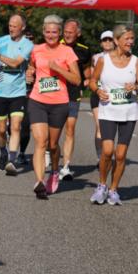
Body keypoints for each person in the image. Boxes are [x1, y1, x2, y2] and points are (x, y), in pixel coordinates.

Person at [88, 24, 138, 205]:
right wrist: (98, 91)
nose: (130, 42)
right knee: (107, 151)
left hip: (128, 112)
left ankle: (114, 189)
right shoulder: (103, 60)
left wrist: (136, 87)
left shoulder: (136, 61)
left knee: (121, 155)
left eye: (132, 39)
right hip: (108, 110)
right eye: (127, 39)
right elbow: (93, 81)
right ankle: (101, 185)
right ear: (116, 41)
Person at [26, 15, 81, 199]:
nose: (51, 35)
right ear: (43, 32)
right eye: (47, 32)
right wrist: (30, 72)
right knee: (40, 141)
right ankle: (40, 181)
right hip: (37, 101)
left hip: (59, 103)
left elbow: (76, 79)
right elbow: (32, 66)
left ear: (59, 34)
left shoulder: (67, 52)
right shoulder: (36, 50)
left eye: (54, 32)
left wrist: (58, 69)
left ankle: (55, 170)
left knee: (52, 145)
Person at [0, 14, 34, 175]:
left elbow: (16, 63)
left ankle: (12, 160)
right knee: (1, 129)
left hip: (18, 91)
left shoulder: (27, 44)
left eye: (15, 26)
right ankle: (3, 153)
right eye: (10, 25)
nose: (11, 28)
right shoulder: (0, 40)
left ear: (22, 27)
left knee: (16, 126)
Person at [56, 19, 93, 180]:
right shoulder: (55, 46)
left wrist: (87, 81)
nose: (68, 34)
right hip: (55, 93)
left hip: (72, 94)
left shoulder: (84, 50)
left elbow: (87, 72)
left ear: (78, 33)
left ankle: (65, 166)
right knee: (53, 131)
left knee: (70, 129)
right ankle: (51, 153)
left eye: (71, 32)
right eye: (65, 31)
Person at [91, 31, 116, 161]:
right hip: (98, 94)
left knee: (110, 128)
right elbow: (91, 77)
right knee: (100, 126)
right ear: (101, 43)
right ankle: (100, 157)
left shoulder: (121, 57)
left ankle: (107, 151)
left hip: (113, 96)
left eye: (110, 40)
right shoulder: (96, 57)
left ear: (115, 41)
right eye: (104, 40)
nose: (107, 42)